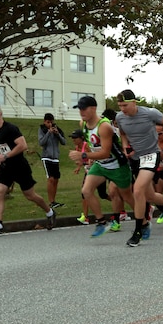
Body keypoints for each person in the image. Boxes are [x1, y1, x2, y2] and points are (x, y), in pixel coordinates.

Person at [114, 89, 163, 246]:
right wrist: (125, 146)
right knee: (150, 196)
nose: (122, 109)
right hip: (135, 158)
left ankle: (139, 230)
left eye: (125, 105)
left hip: (151, 155)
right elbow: (123, 133)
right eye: (120, 106)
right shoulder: (120, 117)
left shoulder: (149, 113)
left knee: (137, 190)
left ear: (134, 102)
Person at [0, 104, 56, 234]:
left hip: (20, 166)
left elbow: (23, 145)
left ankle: (50, 212)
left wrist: (5, 156)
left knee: (30, 195)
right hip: (6, 167)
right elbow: (3, 147)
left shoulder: (11, 128)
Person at [68, 96, 135, 236]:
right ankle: (101, 222)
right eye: (79, 109)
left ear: (93, 108)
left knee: (128, 197)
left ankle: (144, 220)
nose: (81, 112)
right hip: (101, 165)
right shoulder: (83, 124)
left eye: (84, 109)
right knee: (86, 190)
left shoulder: (104, 127)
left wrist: (83, 156)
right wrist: (84, 159)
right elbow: (92, 146)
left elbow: (105, 152)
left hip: (117, 165)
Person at [38, 112, 66, 208]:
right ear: (44, 121)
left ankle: (54, 201)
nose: (50, 124)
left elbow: (63, 142)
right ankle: (50, 201)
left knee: (56, 180)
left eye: (51, 122)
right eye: (48, 122)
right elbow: (41, 142)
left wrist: (57, 134)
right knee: (50, 179)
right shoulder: (42, 129)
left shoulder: (57, 129)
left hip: (55, 158)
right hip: (46, 157)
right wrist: (48, 133)